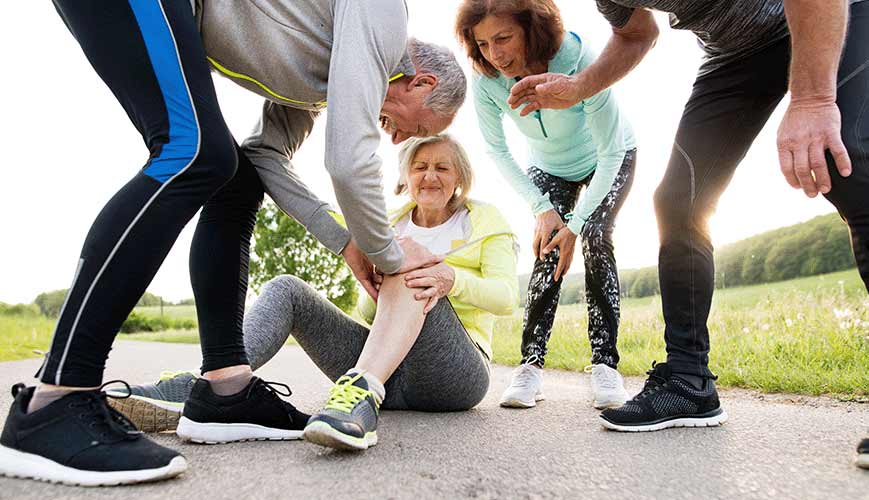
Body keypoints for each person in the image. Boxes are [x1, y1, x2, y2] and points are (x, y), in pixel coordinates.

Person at [0, 0, 466, 486]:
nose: (399, 140)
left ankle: (226, 392)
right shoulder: (382, 15)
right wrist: (388, 253)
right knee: (193, 152)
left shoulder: (326, 72)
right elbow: (348, 160)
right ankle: (57, 398)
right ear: (422, 83)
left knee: (232, 173)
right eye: (416, 129)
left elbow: (264, 154)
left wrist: (348, 242)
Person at [509, 0, 868, 449]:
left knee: (852, 163)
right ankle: (688, 382)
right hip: (736, 56)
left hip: (832, 16)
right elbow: (636, 34)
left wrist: (813, 100)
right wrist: (580, 87)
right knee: (680, 203)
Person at [109, 134, 518, 452]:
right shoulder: (389, 222)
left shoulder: (483, 220)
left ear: (460, 177)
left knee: (410, 266)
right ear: (406, 177)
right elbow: (366, 307)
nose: (430, 176)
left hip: (453, 373)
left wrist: (449, 278)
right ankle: (210, 384)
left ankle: (362, 390)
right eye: (421, 167)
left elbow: (505, 298)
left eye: (443, 168)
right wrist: (383, 283)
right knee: (287, 288)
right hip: (387, 371)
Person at [455, 0, 637, 410]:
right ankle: (530, 368)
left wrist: (575, 224)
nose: (495, 54)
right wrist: (543, 209)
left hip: (610, 156)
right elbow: (497, 151)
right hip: (550, 167)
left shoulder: (580, 61)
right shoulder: (487, 81)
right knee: (546, 248)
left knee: (594, 236)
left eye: (503, 38)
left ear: (531, 31)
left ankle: (606, 366)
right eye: (483, 44)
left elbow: (610, 156)